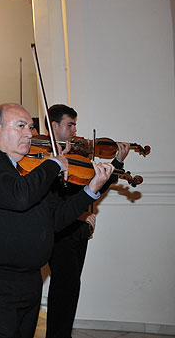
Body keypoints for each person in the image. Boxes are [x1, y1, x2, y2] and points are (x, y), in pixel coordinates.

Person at [0, 103, 114, 338]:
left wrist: (91, 190)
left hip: (29, 280)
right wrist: (53, 164)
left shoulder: (29, 170)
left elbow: (55, 219)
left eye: (30, 127)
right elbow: (19, 196)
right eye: (20, 126)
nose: (29, 134)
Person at [45, 104, 129, 338]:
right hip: (61, 233)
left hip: (77, 231)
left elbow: (93, 188)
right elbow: (54, 200)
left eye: (75, 125)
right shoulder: (48, 160)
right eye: (69, 124)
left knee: (70, 289)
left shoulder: (77, 156)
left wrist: (117, 162)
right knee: (64, 289)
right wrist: (80, 213)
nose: (74, 130)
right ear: (54, 126)